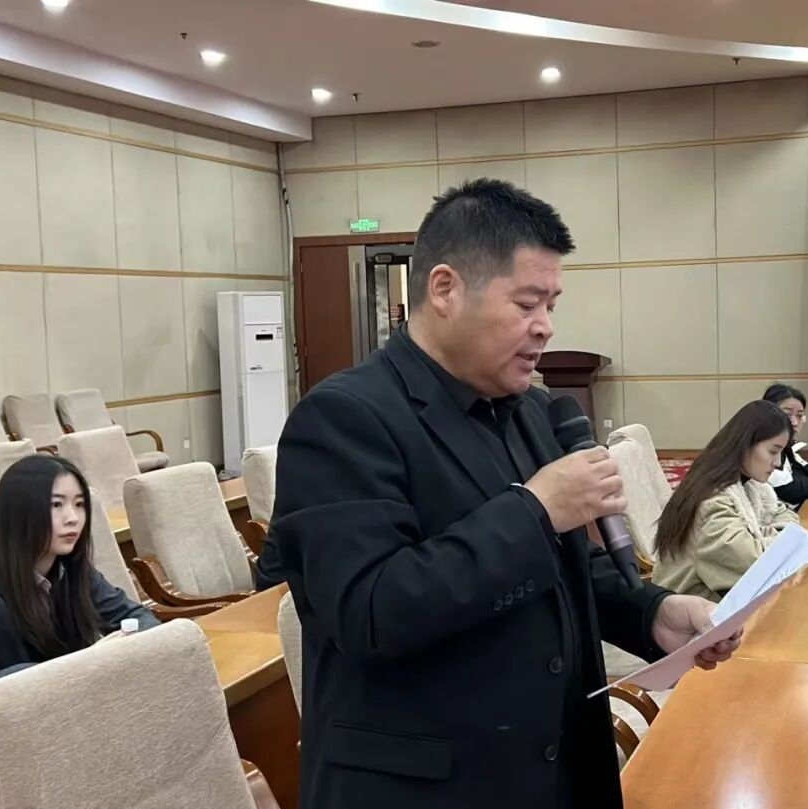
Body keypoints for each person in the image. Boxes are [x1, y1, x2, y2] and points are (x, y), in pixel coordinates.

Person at [272, 178, 739, 809]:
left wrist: (653, 613)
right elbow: (370, 612)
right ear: (445, 289)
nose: (545, 327)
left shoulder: (529, 412)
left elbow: (568, 570)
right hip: (426, 788)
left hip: (552, 770)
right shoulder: (343, 418)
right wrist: (536, 510)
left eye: (552, 305)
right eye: (526, 304)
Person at [0, 455, 159, 684]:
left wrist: (101, 656)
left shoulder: (72, 568)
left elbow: (140, 619)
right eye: (56, 505)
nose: (73, 518)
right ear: (18, 512)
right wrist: (81, 664)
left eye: (79, 504)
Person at [651, 400, 801, 601]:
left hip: (719, 606)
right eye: (773, 451)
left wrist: (767, 537)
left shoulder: (749, 485)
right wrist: (780, 538)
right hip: (693, 617)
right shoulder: (711, 501)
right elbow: (757, 565)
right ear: (745, 444)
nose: (778, 462)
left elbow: (783, 512)